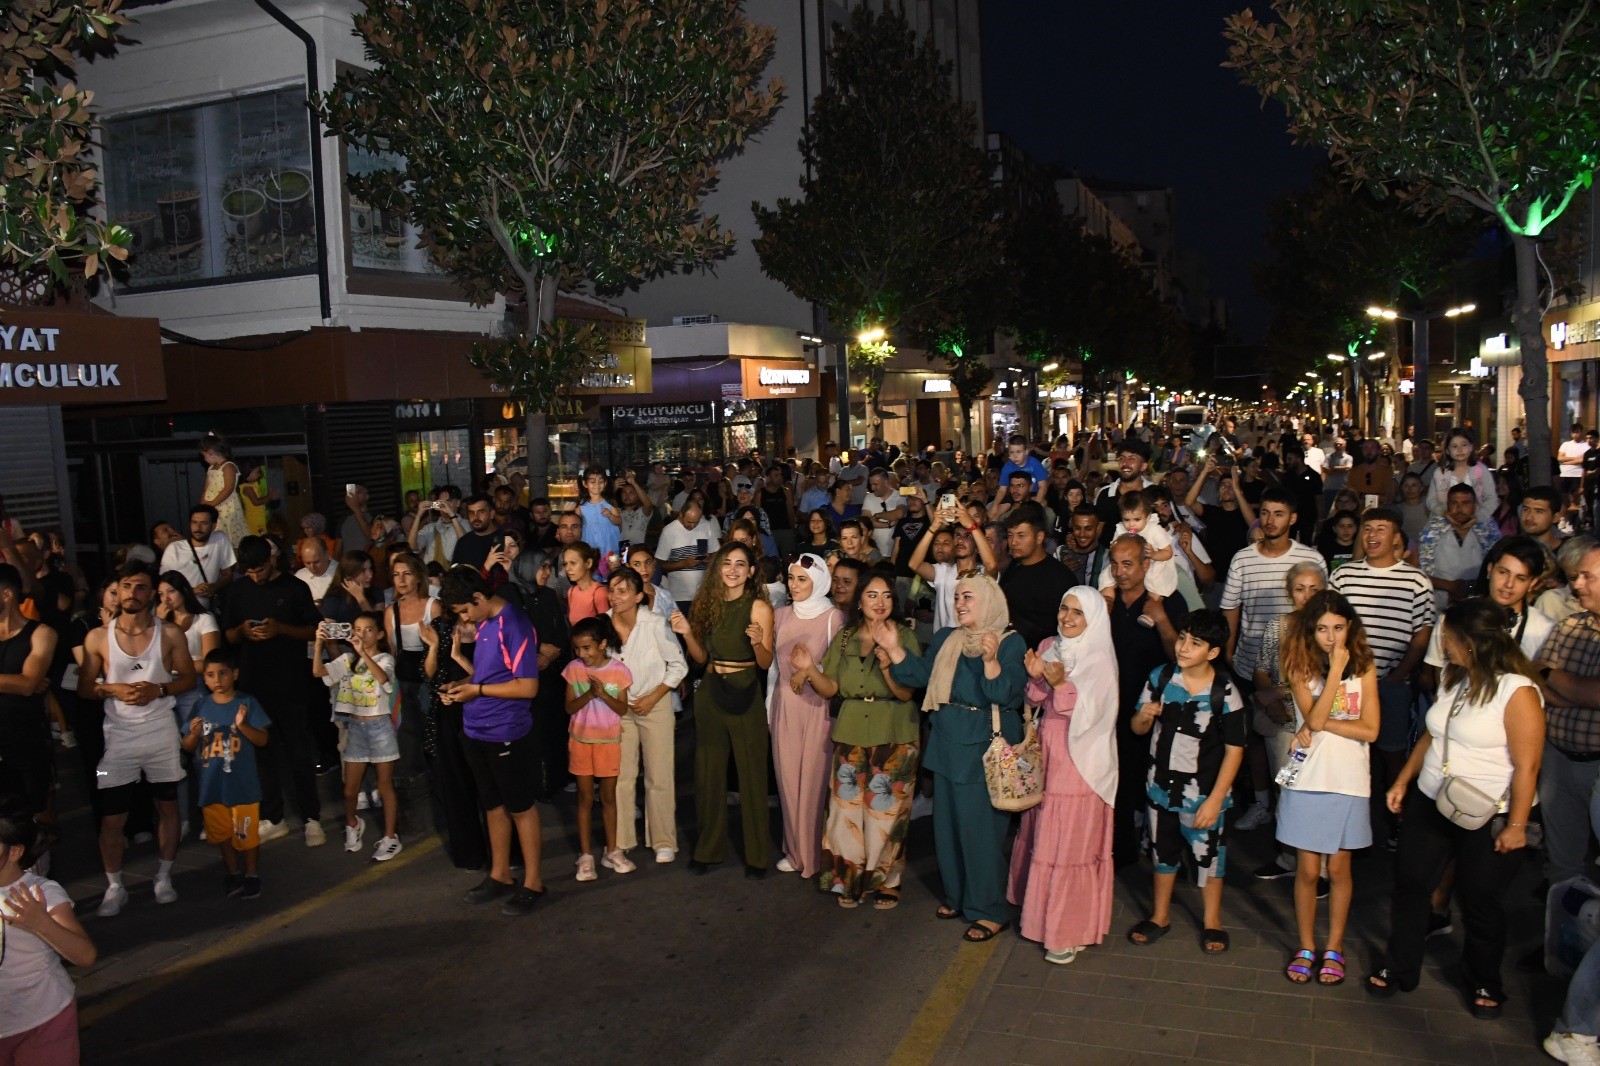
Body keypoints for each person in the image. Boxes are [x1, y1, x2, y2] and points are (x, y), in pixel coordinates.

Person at [1366, 599, 1543, 1019]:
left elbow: (1528, 765)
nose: (1441, 642)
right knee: (1410, 882)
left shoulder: (1517, 690)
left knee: (1481, 898)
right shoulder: (1452, 676)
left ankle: (1483, 978)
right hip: (1433, 797)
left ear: (1473, 641)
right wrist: (1404, 780)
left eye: (1448, 636)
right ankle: (1400, 965)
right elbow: (1433, 734)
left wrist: (1517, 824)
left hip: (1489, 812)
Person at [881, 575, 1027, 943]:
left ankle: (990, 911)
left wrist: (991, 661)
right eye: (957, 596)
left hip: (983, 746)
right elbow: (922, 676)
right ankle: (959, 898)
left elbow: (1006, 695)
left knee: (980, 835)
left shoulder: (1009, 642)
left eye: (969, 597)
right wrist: (895, 649)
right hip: (947, 742)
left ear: (990, 602)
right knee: (946, 832)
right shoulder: (948, 638)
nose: (960, 603)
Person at [792, 569, 919, 907]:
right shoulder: (846, 637)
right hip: (850, 731)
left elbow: (906, 694)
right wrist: (809, 670)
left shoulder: (903, 636)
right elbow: (831, 687)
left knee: (886, 814)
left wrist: (889, 664)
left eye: (887, 595)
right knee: (844, 813)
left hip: (894, 731)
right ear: (860, 601)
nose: (880, 602)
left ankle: (887, 880)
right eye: (872, 595)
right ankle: (848, 879)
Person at [77, 562, 197, 915]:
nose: (132, 593)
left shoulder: (170, 634)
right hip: (117, 738)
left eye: (141, 587)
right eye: (126, 585)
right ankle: (115, 886)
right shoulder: (98, 637)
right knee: (112, 817)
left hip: (161, 732)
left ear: (151, 593)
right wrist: (112, 688)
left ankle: (163, 875)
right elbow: (84, 688)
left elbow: (188, 679)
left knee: (168, 807)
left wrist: (158, 689)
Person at [1008, 587, 1119, 965]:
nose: (1067, 618)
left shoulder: (1099, 657)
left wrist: (1058, 684)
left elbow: (1093, 715)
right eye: (1064, 609)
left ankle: (1068, 930)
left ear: (1093, 620)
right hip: (1049, 750)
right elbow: (1035, 700)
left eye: (1078, 613)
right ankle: (1041, 916)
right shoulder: (1048, 644)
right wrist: (1037, 679)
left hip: (1081, 761)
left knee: (1070, 844)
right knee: (1045, 834)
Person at [1125, 610, 1247, 954]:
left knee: (1209, 857)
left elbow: (1235, 752)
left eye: (1195, 643)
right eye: (1182, 638)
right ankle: (1159, 916)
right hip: (1159, 790)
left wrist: (1215, 799)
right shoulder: (1160, 678)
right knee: (1163, 853)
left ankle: (1213, 922)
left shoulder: (1225, 693)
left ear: (1212, 652)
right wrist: (1142, 716)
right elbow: (1137, 729)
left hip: (1203, 795)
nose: (1183, 647)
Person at [1276, 591, 1380, 986]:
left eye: (1338, 628)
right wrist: (1335, 672)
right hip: (1309, 776)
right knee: (1306, 869)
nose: (1331, 637)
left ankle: (1334, 947)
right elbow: (1313, 717)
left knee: (1338, 867)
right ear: (1310, 630)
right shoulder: (1299, 664)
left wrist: (1318, 724)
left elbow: (1371, 728)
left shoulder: (1365, 665)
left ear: (1349, 626)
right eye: (1322, 629)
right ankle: (1306, 945)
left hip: (1350, 777)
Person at [438, 568, 546, 917]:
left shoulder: (514, 625)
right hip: (476, 729)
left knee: (520, 807)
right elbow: (486, 675)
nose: (464, 620)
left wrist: (477, 690)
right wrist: (461, 687)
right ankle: (499, 875)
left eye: (465, 611)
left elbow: (528, 686)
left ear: (479, 598)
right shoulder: (484, 623)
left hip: (507, 731)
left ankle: (533, 882)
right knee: (493, 806)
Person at [1331, 509, 1436, 841]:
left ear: (1396, 538)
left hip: (1391, 683)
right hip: (1347, 682)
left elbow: (1422, 634)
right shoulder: (1344, 575)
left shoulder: (1417, 581)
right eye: (1368, 529)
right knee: (1343, 752)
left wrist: (1397, 676)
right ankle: (1344, 821)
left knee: (1392, 754)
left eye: (1381, 529)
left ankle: (1396, 823)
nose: (1372, 535)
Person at [673, 543, 775, 876]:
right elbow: (701, 658)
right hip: (712, 692)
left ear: (751, 571)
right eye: (726, 563)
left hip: (746, 692)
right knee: (709, 773)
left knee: (752, 775)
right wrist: (688, 634)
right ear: (718, 569)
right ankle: (708, 849)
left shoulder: (758, 606)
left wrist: (759, 641)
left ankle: (758, 856)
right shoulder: (707, 603)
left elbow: (765, 662)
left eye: (740, 564)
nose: (732, 569)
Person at [221, 537, 324, 846]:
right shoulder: (237, 591)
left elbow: (314, 629)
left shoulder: (294, 588)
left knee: (298, 752)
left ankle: (311, 818)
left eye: (261, 569)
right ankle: (273, 817)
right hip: (253, 685)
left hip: (291, 683)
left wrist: (281, 629)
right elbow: (228, 634)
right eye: (249, 572)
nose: (256, 576)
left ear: (273, 559)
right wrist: (242, 631)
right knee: (262, 755)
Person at [0, 795, 97, 1063]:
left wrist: (40, 923)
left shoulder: (41, 892)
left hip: (43, 1020)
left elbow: (85, 956)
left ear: (15, 852)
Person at [607, 566, 684, 863]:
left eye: (623, 591)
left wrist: (654, 696)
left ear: (639, 596)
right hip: (618, 710)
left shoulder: (653, 623)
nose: (615, 596)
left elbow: (678, 665)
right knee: (623, 777)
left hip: (656, 707)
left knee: (660, 776)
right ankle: (622, 838)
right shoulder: (602, 625)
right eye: (612, 589)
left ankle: (664, 840)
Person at [182, 647, 271, 898]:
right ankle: (234, 872)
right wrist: (193, 734)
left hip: (242, 785)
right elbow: (187, 746)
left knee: (246, 835)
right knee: (221, 833)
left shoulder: (246, 703)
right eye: (210, 675)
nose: (217, 680)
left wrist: (243, 726)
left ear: (235, 674)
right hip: (212, 785)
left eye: (222, 673)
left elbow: (263, 740)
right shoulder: (200, 705)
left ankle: (252, 874)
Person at [313, 613, 403, 862]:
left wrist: (363, 653)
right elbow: (318, 672)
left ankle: (390, 837)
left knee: (385, 786)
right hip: (356, 729)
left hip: (380, 727)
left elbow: (383, 678)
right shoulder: (347, 659)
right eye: (357, 629)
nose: (362, 634)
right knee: (350, 790)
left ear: (380, 634)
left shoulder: (385, 658)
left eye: (368, 629)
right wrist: (320, 642)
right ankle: (353, 824)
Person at [1536, 543, 1600, 887]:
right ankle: (1562, 938)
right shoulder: (1569, 626)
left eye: (1587, 577)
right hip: (1558, 762)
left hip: (1597, 769)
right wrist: (1580, 693)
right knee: (1563, 867)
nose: (1577, 585)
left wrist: (1552, 676)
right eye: (1576, 577)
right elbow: (1534, 678)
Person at [562, 615, 634, 881]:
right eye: (577, 649)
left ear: (602, 644)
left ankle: (611, 850)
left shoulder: (619, 671)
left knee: (608, 798)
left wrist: (603, 694)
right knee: (584, 799)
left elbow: (622, 708)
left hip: (608, 742)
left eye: (587, 648)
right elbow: (569, 708)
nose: (582, 654)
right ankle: (585, 855)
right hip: (581, 741)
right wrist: (589, 694)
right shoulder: (573, 669)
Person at [0, 564, 57, 833]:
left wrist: (25, 683)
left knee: (36, 819)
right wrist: (18, 681)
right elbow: (24, 683)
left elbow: (28, 685)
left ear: (7, 595)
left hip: (27, 741)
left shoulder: (41, 633)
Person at [999, 508, 1075, 651]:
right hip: (1009, 654)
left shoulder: (1060, 578)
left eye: (1021, 536)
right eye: (1010, 535)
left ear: (1039, 537)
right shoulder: (1012, 568)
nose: (1013, 542)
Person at [159, 503, 236, 611]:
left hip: (207, 611)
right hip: (182, 610)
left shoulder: (220, 539)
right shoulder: (174, 549)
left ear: (213, 526)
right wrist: (193, 590)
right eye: (194, 522)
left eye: (204, 523)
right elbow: (164, 584)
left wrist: (214, 587)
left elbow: (228, 575)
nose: (198, 528)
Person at [1099, 491, 1176, 598]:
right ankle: (1107, 600)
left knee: (1154, 582)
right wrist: (1114, 548)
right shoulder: (1121, 529)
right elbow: (1114, 546)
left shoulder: (1154, 530)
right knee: (1107, 577)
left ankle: (1153, 604)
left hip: (1153, 564)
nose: (1131, 524)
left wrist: (1154, 554)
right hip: (1126, 566)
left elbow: (1168, 552)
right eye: (1126, 519)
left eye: (1137, 519)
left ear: (1147, 517)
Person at [656, 497, 721, 611]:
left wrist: (710, 558)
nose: (692, 526)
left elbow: (716, 553)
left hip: (703, 594)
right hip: (679, 596)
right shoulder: (669, 531)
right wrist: (683, 564)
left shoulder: (706, 527)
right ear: (681, 515)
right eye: (689, 522)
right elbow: (660, 564)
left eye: (696, 522)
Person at [1428, 427, 1499, 526]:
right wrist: (1444, 513)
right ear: (1447, 450)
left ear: (1471, 447)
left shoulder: (1480, 470)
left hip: (1477, 521)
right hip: (1444, 522)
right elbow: (1431, 500)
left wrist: (1477, 517)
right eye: (1454, 446)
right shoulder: (1440, 473)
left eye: (1464, 445)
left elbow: (1492, 498)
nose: (1460, 450)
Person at [199, 433, 251, 548]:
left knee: (229, 537)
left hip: (225, 506)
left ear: (211, 452)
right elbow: (206, 489)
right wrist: (202, 505)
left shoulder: (228, 466)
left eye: (204, 455)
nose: (204, 459)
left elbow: (228, 489)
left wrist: (212, 504)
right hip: (211, 507)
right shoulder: (211, 468)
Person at [577, 468, 623, 565]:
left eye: (601, 482)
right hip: (591, 544)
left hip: (610, 544)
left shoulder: (609, 502)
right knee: (594, 569)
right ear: (585, 484)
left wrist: (610, 515)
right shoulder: (581, 505)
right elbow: (576, 524)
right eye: (592, 482)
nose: (597, 485)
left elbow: (619, 521)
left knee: (612, 570)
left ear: (605, 483)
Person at [409, 489, 466, 567]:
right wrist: (418, 516)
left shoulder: (465, 524)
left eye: (448, 501)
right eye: (440, 502)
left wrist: (451, 514)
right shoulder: (430, 528)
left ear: (458, 503)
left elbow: (466, 542)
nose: (444, 505)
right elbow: (411, 547)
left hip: (455, 575)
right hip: (432, 575)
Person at [451, 495, 506, 573]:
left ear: (492, 514)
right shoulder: (464, 541)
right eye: (471, 512)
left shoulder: (504, 539)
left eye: (481, 512)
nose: (475, 517)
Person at [561, 542, 609, 626]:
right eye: (565, 564)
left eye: (573, 563)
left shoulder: (599, 593)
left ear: (588, 563)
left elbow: (605, 627)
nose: (568, 568)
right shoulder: (571, 591)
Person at [1519, 484, 1566, 554]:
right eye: (1526, 509)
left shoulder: (1568, 553)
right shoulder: (1510, 550)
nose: (1528, 517)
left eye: (1539, 511)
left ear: (1555, 517)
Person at [1561, 424, 1592, 517]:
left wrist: (1568, 462)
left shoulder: (1586, 445)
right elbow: (1560, 457)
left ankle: (1575, 521)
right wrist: (1575, 459)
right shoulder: (1565, 444)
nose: (1576, 434)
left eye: (1578, 432)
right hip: (1564, 474)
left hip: (1578, 474)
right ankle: (1564, 519)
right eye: (1574, 432)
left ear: (1582, 432)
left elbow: (1583, 460)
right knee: (1564, 498)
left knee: (1576, 499)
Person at [339, 483, 372, 554]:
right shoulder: (344, 519)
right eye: (352, 493)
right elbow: (338, 548)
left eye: (359, 492)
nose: (355, 496)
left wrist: (356, 509)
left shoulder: (375, 515)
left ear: (367, 496)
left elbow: (370, 537)